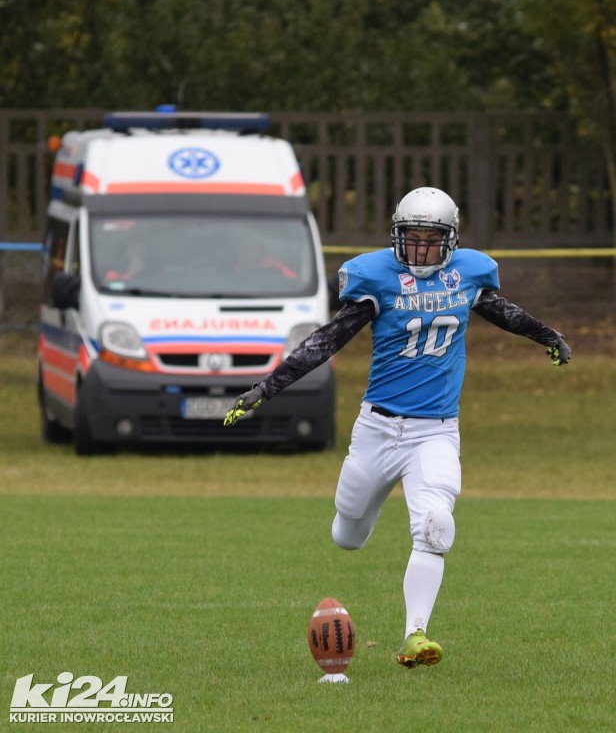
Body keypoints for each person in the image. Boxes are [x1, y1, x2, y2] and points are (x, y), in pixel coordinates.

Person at [223, 187, 571, 669]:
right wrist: (267, 386)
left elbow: (500, 310)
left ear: (450, 241)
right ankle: (359, 524)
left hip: (436, 431)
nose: (421, 249)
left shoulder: (466, 275)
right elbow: (327, 340)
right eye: (412, 238)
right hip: (378, 430)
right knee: (348, 533)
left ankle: (416, 635)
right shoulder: (378, 279)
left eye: (431, 239)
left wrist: (546, 334)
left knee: (436, 524)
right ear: (396, 236)